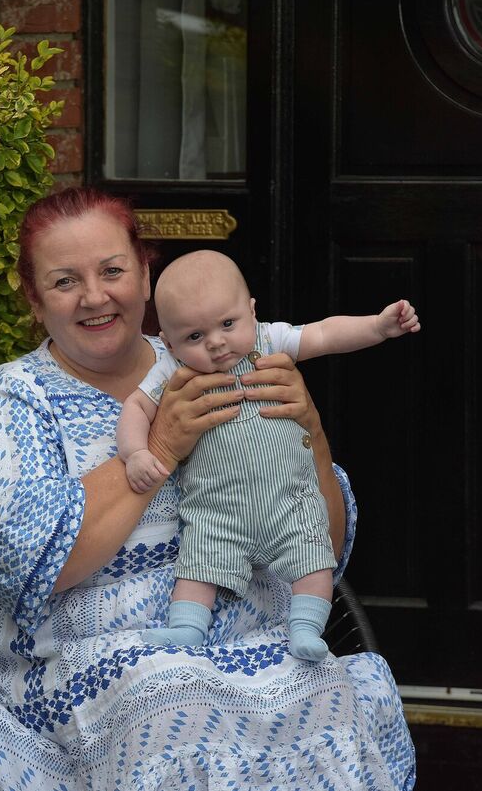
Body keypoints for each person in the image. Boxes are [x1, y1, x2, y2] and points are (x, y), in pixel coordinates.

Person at [0, 187, 415, 790]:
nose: (95, 296)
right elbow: (29, 564)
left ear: (145, 276)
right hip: (90, 660)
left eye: (112, 271)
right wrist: (161, 447)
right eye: (64, 282)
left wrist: (312, 436)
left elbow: (324, 541)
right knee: (178, 712)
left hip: (251, 640)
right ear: (35, 301)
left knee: (338, 699)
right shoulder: (16, 402)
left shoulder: (221, 353)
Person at [117, 250, 420, 659]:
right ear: (168, 343)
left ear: (252, 311)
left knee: (315, 560)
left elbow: (324, 334)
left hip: (289, 501)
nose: (216, 342)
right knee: (197, 565)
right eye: (195, 337)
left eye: (228, 324)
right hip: (217, 510)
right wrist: (136, 452)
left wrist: (378, 327)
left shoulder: (270, 341)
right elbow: (136, 407)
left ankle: (306, 628)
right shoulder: (172, 369)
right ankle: (186, 628)